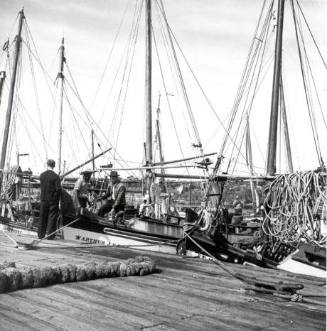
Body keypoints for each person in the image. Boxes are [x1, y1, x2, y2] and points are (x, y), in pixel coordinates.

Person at [38, 159, 61, 239]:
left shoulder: (42, 175)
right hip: (52, 201)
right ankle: (50, 236)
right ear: (54, 166)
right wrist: (56, 200)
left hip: (43, 199)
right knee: (52, 217)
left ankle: (40, 235)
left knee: (42, 217)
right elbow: (58, 189)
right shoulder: (56, 177)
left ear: (47, 165)